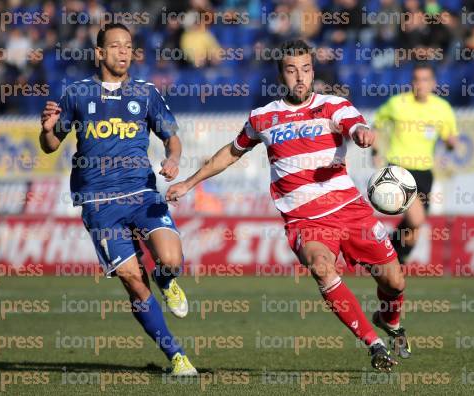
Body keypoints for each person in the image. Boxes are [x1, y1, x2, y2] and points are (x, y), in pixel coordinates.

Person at [167, 39, 411, 371]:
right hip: (304, 221)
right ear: (281, 74)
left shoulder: (333, 105)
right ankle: (375, 344)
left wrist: (363, 134)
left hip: (350, 210)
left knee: (394, 282)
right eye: (292, 70)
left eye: (307, 70)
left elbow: (356, 126)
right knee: (322, 268)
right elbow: (229, 153)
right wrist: (188, 183)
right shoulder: (263, 117)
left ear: (314, 72)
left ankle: (389, 320)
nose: (300, 77)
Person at [39, 23, 197, 376]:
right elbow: (51, 145)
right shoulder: (76, 94)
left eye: (128, 46)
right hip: (99, 203)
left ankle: (168, 281)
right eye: (115, 46)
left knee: (169, 260)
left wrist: (173, 159)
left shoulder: (146, 92)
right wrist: (47, 131)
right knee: (133, 281)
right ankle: (176, 356)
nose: (124, 52)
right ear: (99, 53)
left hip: (142, 192)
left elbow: (172, 137)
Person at [372, 64, 458, 263]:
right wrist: (375, 150)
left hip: (425, 172)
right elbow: (376, 125)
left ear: (434, 83)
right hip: (398, 170)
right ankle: (387, 255)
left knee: (414, 230)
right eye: (416, 79)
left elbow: (450, 138)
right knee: (416, 219)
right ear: (411, 82)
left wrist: (451, 143)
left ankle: (393, 259)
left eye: (425, 79)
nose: (420, 84)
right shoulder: (398, 103)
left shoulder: (442, 108)